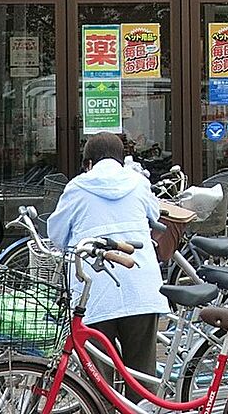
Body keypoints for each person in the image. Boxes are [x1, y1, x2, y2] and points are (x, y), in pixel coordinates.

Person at [48, 132, 167, 387]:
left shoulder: (77, 187)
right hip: (140, 287)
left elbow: (56, 234)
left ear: (88, 163)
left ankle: (100, 404)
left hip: (95, 292)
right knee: (141, 375)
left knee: (98, 379)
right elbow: (154, 214)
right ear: (122, 160)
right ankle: (143, 405)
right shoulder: (138, 182)